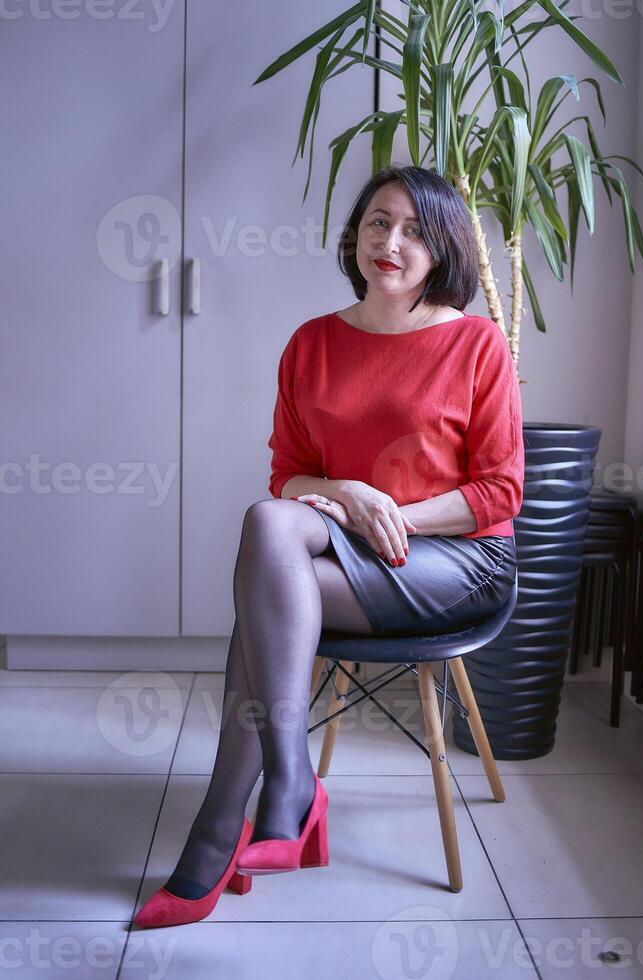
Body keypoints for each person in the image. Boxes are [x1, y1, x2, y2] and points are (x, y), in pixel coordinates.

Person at [133, 164, 524, 928]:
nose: (391, 241)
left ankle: (227, 831)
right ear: (355, 236)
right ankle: (287, 785)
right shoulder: (312, 343)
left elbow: (500, 493)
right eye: (378, 222)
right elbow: (287, 477)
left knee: (264, 608)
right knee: (267, 522)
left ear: (442, 250)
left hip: (461, 561)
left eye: (414, 230)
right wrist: (352, 494)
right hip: (350, 543)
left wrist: (398, 518)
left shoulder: (475, 344)